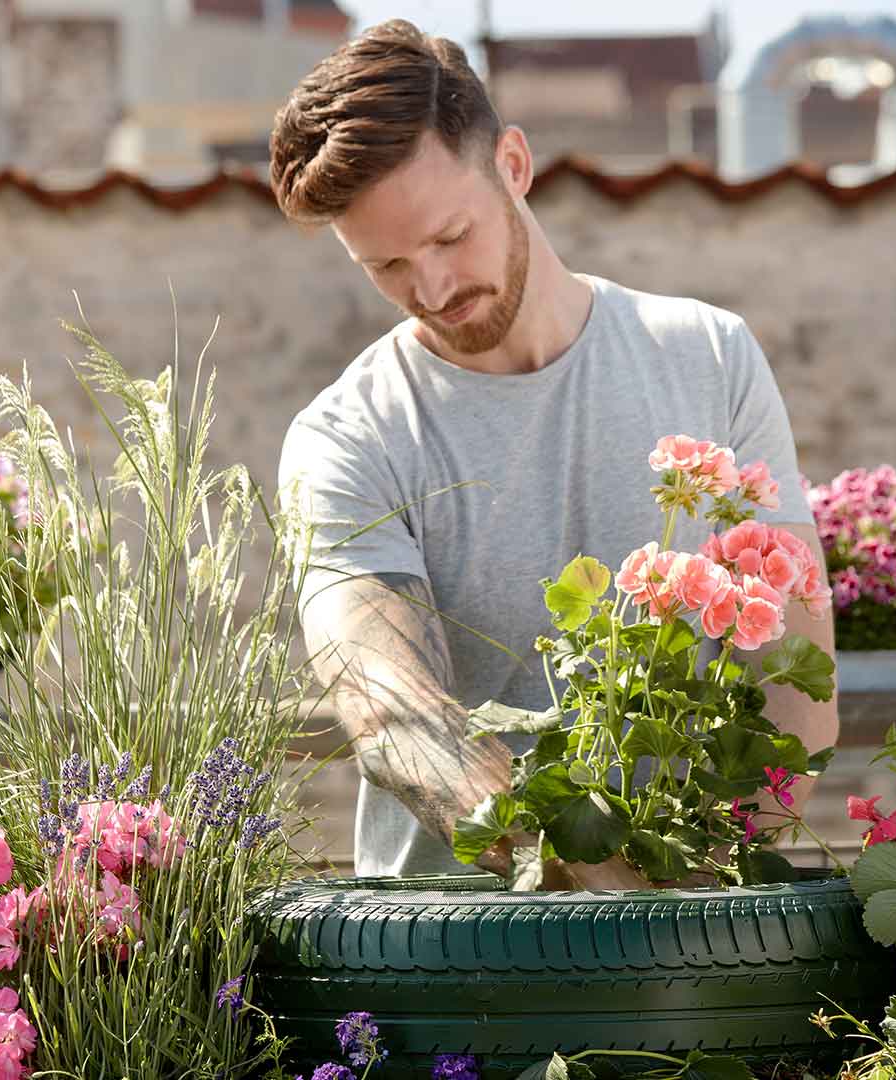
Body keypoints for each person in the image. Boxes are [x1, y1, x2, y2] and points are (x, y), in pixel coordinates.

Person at [271, 20, 837, 886]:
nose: (431, 288)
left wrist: (710, 897)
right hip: (449, 965)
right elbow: (386, 704)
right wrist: (594, 887)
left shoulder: (710, 356)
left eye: (449, 237)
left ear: (513, 165)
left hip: (697, 945)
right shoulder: (346, 435)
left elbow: (797, 685)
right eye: (384, 264)